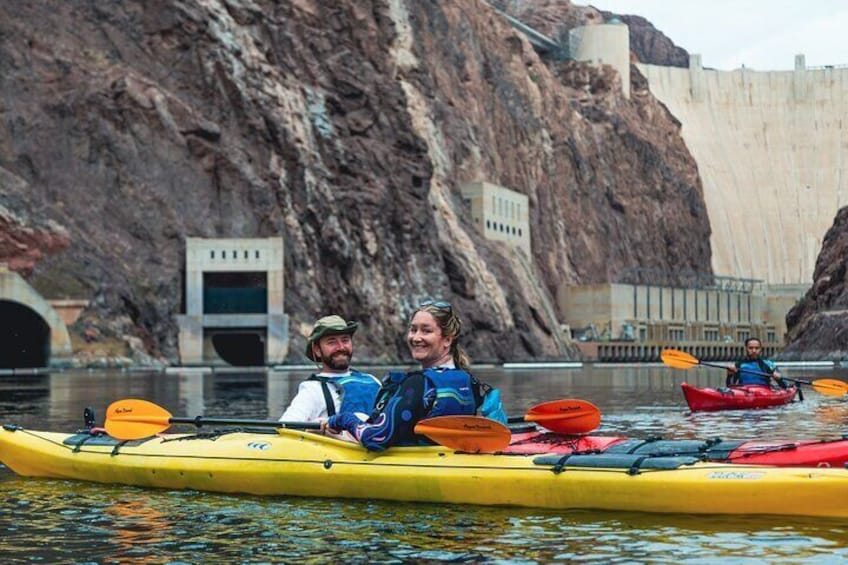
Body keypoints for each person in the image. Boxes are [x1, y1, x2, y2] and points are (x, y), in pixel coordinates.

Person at [324, 300, 507, 451]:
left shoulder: (418, 384)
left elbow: (377, 438)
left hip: (416, 463)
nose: (416, 337)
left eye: (426, 331)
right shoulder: (469, 381)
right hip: (446, 459)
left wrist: (343, 419)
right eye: (413, 329)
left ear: (447, 340)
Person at [280, 315, 382, 434]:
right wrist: (314, 427)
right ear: (317, 350)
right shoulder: (312, 389)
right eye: (331, 342)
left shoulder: (372, 380)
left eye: (345, 340)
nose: (341, 347)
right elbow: (285, 427)